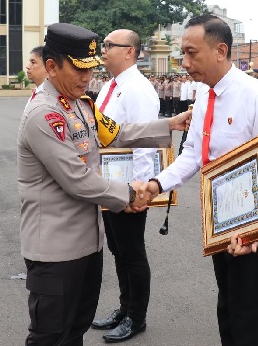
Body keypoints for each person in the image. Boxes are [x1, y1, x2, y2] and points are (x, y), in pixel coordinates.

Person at [18, 23, 189, 346]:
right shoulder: (45, 115)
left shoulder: (81, 105)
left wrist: (169, 124)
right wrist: (131, 195)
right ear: (52, 67)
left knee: (75, 330)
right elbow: (77, 179)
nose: (86, 78)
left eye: (90, 70)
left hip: (86, 244)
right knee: (51, 336)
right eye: (79, 70)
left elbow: (116, 134)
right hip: (56, 250)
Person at [138, 14, 258, 346]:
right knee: (227, 306)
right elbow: (193, 153)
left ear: (220, 50)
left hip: (252, 226)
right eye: (183, 53)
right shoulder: (206, 96)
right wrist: (156, 184)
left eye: (192, 53)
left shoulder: (255, 96)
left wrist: (253, 229)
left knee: (247, 314)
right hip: (219, 219)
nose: (185, 61)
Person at [91, 29, 160, 343]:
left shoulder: (139, 89)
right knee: (118, 248)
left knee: (132, 251)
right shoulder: (110, 86)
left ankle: (136, 317)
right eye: (103, 45)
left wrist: (140, 188)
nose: (103, 50)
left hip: (130, 184)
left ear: (130, 51)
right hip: (109, 182)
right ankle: (124, 308)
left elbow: (145, 140)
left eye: (109, 45)